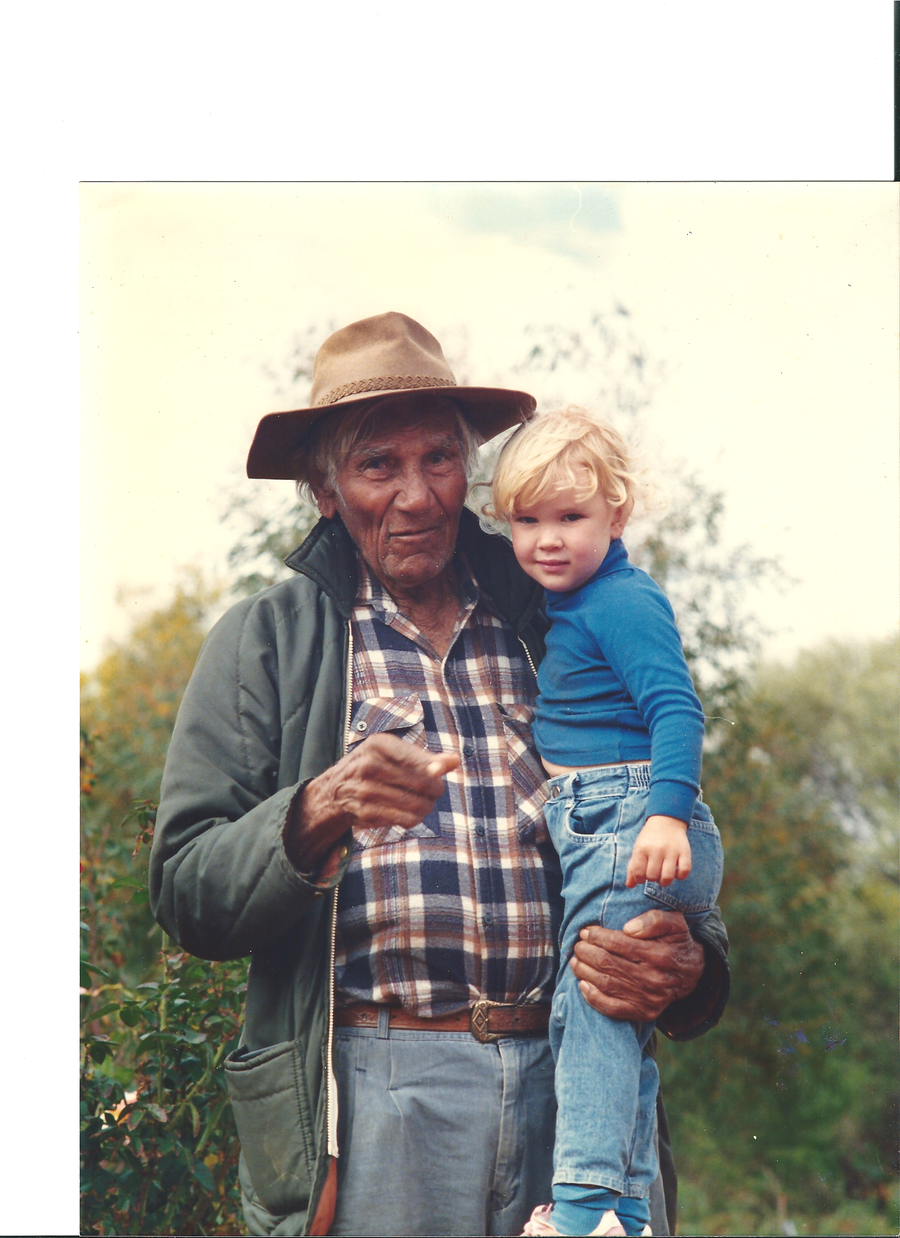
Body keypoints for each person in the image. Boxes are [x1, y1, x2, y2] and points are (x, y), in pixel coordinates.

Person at [149, 313, 729, 1238]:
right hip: (380, 1097)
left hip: (570, 1083)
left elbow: (658, 816)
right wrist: (321, 806)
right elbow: (185, 887)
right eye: (380, 465)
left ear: (474, 475)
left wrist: (691, 962)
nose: (418, 496)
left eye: (441, 461)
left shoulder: (558, 612)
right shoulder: (269, 641)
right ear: (325, 490)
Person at [487, 407, 725, 1238]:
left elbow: (677, 710)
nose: (546, 540)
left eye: (571, 517)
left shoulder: (623, 603)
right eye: (527, 520)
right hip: (608, 819)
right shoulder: (579, 598)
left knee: (592, 1005)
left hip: (629, 817)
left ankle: (583, 1209)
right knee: (604, 1012)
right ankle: (623, 1204)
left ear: (617, 516)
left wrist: (663, 817)